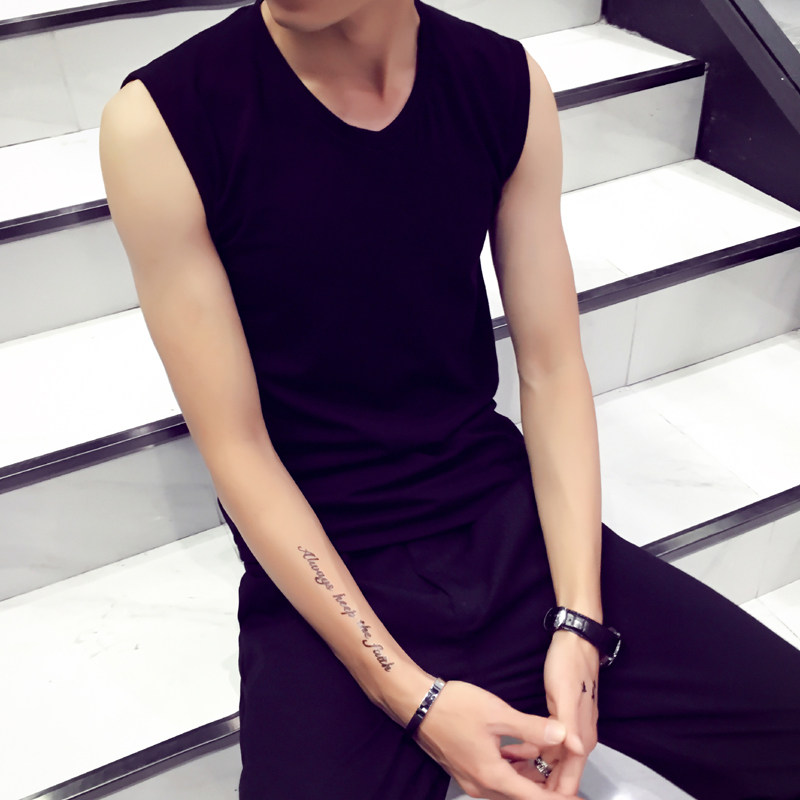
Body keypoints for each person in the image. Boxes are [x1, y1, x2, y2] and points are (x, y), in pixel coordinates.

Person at [98, 0, 800, 798]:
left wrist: (578, 621)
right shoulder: (162, 123)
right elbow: (237, 450)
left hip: (501, 515)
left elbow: (551, 369)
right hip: (324, 560)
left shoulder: (501, 82)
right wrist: (410, 695)